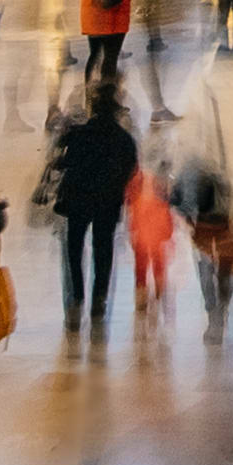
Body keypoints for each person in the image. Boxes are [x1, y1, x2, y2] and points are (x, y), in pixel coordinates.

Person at [47, 73, 142, 336]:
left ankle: (75, 298)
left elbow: (61, 163)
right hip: (107, 204)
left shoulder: (78, 134)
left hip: (77, 200)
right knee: (103, 250)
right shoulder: (124, 140)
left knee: (74, 250)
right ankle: (99, 301)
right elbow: (131, 171)